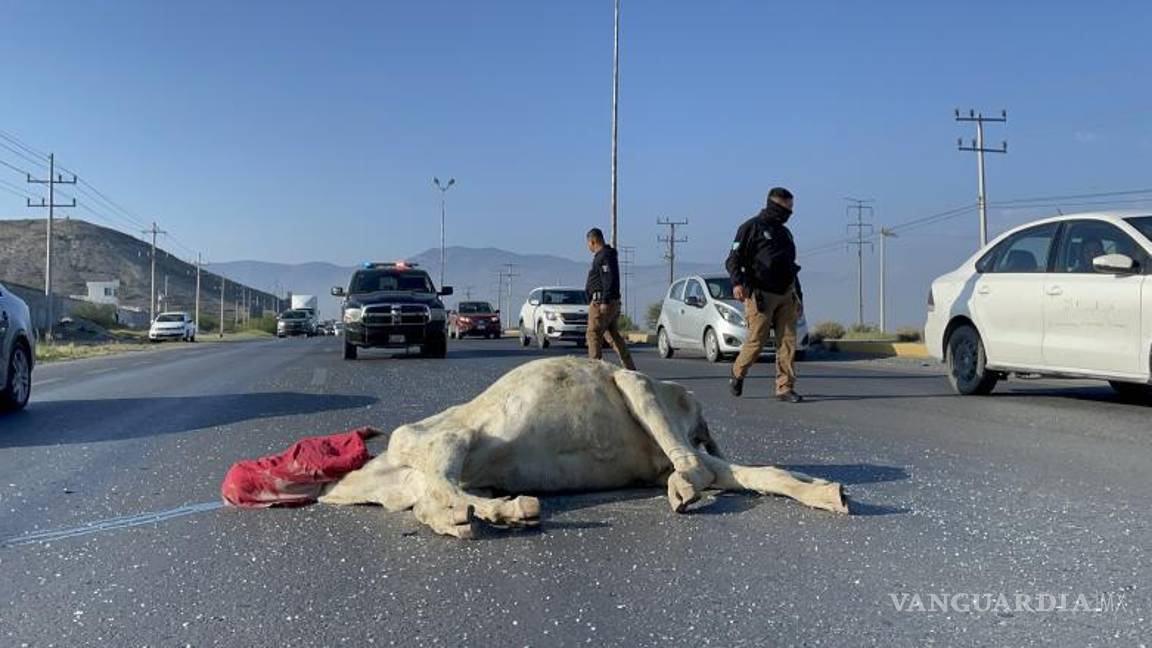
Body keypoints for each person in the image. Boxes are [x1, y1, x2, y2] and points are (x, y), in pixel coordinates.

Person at [725, 187, 804, 402]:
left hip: (786, 293)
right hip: (760, 294)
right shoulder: (751, 227)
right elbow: (733, 259)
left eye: (791, 208)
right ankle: (737, 373)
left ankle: (785, 387)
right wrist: (737, 283)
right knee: (757, 342)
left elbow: (791, 266)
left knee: (787, 342)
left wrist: (799, 297)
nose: (789, 213)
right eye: (786, 208)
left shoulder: (785, 233)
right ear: (774, 205)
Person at [584, 228, 636, 370]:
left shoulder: (604, 256)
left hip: (602, 302)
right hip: (608, 302)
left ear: (593, 241)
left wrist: (605, 301)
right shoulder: (605, 256)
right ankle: (629, 368)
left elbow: (608, 279)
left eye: (588, 243)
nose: (588, 247)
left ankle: (595, 369)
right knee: (612, 334)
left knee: (593, 334)